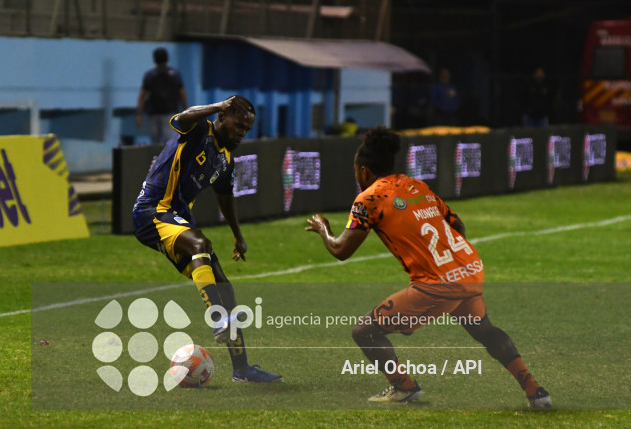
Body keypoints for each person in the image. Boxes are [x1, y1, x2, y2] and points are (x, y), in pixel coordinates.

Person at [305, 127, 551, 408]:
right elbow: (457, 225)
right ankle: (536, 391)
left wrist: (323, 228)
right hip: (469, 270)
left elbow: (341, 250)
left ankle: (404, 388)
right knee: (485, 329)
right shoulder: (415, 186)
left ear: (363, 171)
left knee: (365, 331)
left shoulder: (369, 199)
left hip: (437, 284)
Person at [132, 95, 281, 383]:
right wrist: (216, 106)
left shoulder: (225, 159)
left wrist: (238, 235)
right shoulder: (199, 130)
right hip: (152, 211)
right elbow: (181, 117)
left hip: (177, 220)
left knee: (225, 288)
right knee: (200, 244)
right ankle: (217, 319)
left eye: (247, 130)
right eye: (238, 125)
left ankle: (242, 369)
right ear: (222, 117)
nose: (241, 133)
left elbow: (225, 197)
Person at [136, 47, 187, 144]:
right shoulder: (175, 74)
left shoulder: (149, 75)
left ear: (154, 59)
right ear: (167, 58)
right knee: (169, 142)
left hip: (154, 114)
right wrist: (185, 109)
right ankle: (168, 159)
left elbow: (143, 95)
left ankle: (157, 159)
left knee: (155, 142)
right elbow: (182, 93)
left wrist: (139, 114)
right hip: (170, 113)